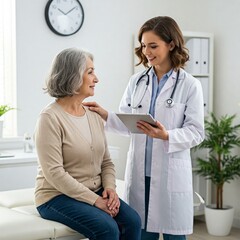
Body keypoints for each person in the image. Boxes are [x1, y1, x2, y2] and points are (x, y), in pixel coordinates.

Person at [84, 16, 205, 240]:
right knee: (140, 232)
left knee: (173, 236)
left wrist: (166, 134)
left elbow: (197, 131)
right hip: (140, 171)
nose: (147, 51)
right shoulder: (137, 81)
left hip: (170, 171)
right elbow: (128, 123)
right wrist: (105, 114)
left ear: (171, 44)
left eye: (153, 45)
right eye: (143, 45)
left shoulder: (190, 85)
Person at [34, 48, 141, 240]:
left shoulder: (93, 115)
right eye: (90, 72)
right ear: (73, 76)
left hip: (95, 191)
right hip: (56, 196)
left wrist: (110, 189)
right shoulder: (49, 118)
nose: (96, 78)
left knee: (132, 221)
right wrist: (95, 201)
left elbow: (106, 162)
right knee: (107, 228)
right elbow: (54, 173)